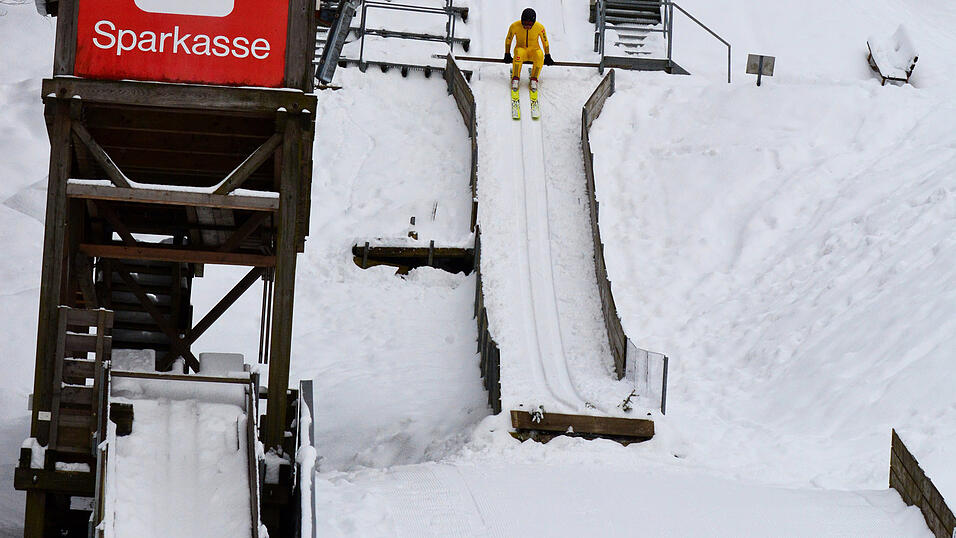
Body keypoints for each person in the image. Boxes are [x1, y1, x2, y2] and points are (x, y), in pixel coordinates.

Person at [504, 8, 554, 92]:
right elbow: (508, 39)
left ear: (534, 22)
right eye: (525, 23)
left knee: (539, 55)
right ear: (521, 20)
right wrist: (507, 53)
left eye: (530, 24)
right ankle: (515, 78)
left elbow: (545, 42)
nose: (527, 26)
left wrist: (547, 55)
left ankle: (534, 78)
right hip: (521, 49)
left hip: (534, 50)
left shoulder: (539, 27)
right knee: (518, 53)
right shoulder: (514, 26)